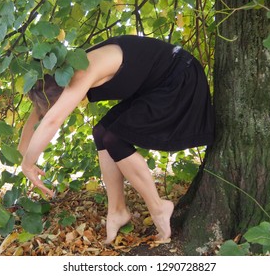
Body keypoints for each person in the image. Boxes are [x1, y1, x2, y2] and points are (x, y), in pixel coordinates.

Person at [18, 35, 215, 244]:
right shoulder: (55, 80)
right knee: (102, 132)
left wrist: (29, 164)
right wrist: (23, 158)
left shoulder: (83, 71)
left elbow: (52, 120)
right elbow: (40, 114)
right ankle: (117, 211)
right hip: (156, 87)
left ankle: (159, 207)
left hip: (181, 80)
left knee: (114, 137)